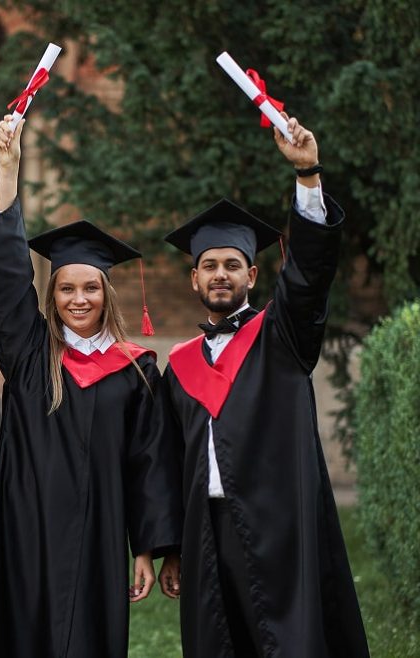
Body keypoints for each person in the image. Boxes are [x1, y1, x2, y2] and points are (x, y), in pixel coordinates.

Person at [0, 116, 182, 658]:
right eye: (66, 289)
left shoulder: (136, 371)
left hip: (99, 537)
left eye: (90, 288)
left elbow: (149, 462)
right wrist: (8, 172)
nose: (78, 299)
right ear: (52, 294)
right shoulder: (30, 354)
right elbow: (6, 282)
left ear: (107, 293)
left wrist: (145, 549)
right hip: (26, 531)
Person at [158, 114, 370, 657]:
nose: (220, 274)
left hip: (278, 524)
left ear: (252, 276)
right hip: (207, 530)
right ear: (195, 278)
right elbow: (167, 461)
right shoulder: (178, 367)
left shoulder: (282, 336)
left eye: (233, 264)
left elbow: (308, 277)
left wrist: (307, 177)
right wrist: (170, 545)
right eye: (209, 265)